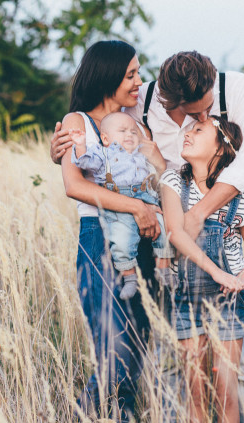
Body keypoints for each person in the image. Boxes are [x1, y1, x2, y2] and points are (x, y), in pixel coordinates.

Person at [52, 50, 244, 421]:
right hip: (128, 238)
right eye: (131, 75)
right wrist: (61, 151)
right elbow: (83, 164)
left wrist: (186, 211)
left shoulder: (142, 114)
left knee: (152, 350)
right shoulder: (119, 111)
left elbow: (236, 165)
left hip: (170, 239)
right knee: (133, 353)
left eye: (207, 110)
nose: (203, 118)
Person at [58, 40, 163, 420]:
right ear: (108, 76)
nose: (139, 81)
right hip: (101, 241)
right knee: (114, 352)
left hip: (145, 245)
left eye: (138, 73)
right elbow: (75, 185)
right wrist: (137, 206)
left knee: (136, 349)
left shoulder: (135, 120)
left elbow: (157, 176)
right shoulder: (78, 122)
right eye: (131, 74)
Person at [159, 116, 244, 423]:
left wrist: (239, 280)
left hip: (228, 301)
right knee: (195, 394)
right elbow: (175, 234)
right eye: (188, 130)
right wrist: (216, 271)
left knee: (226, 394)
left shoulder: (238, 196)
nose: (187, 134)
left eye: (198, 130)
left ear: (221, 148)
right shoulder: (173, 183)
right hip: (186, 300)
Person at [68, 111, 175, 300]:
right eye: (123, 131)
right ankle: (130, 278)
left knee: (165, 227)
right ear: (106, 138)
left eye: (134, 132)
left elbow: (155, 178)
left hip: (146, 199)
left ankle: (164, 269)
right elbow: (85, 163)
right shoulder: (103, 154)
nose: (130, 135)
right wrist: (80, 145)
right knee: (122, 240)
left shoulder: (140, 154)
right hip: (118, 202)